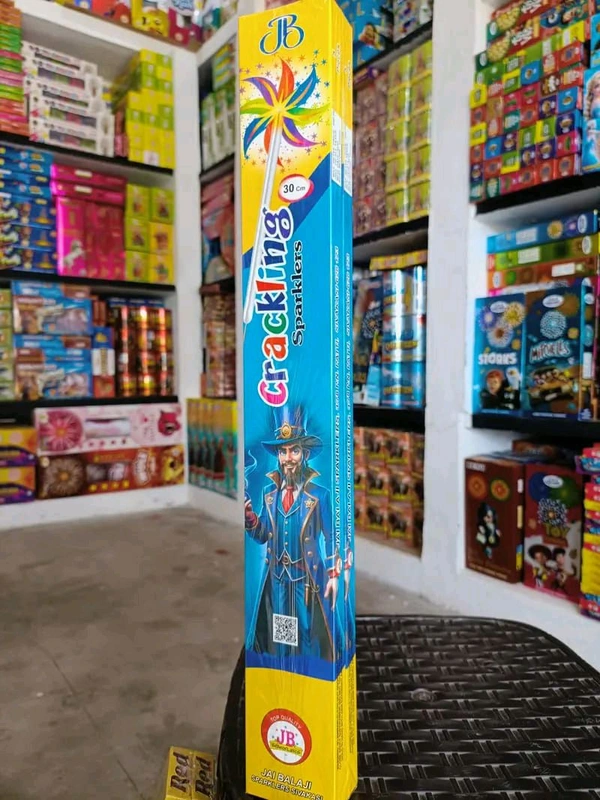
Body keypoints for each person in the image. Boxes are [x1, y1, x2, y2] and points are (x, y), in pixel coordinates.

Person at [245, 406, 343, 662]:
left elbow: (332, 537)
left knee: (308, 632)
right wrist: (250, 519)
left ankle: (309, 671)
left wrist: (333, 575)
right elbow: (263, 534)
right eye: (283, 451)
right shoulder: (269, 494)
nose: (288, 458)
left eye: (294, 450)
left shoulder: (319, 495)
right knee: (282, 631)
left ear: (305, 454)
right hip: (277, 578)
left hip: (306, 578)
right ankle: (285, 670)